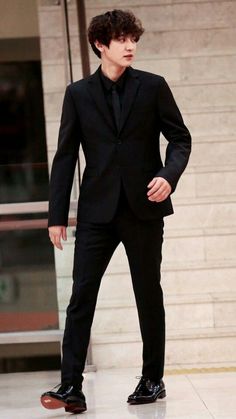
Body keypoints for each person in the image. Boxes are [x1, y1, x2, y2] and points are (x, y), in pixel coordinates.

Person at [40, 9, 191, 414]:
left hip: (144, 208)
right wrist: (57, 215)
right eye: (122, 39)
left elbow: (180, 139)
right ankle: (71, 384)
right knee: (81, 296)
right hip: (96, 212)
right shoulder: (78, 94)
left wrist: (168, 176)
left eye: (133, 39)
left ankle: (152, 379)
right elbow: (66, 156)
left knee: (148, 294)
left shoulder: (153, 87)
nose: (130, 46)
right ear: (100, 45)